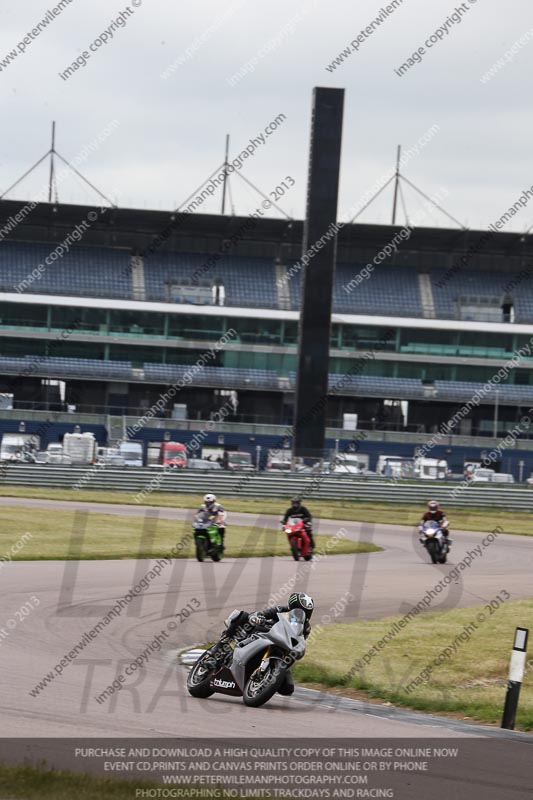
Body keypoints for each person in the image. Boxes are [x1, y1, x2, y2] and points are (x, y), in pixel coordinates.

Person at [207, 592, 314, 697]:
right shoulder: (282, 610)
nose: (302, 612)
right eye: (299, 609)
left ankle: (264, 678)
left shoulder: (306, 627)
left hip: (280, 647)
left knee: (288, 689)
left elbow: (299, 641)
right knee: (243, 616)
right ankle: (221, 644)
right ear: (292, 606)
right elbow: (265, 613)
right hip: (263, 632)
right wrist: (258, 617)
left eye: (306, 611)